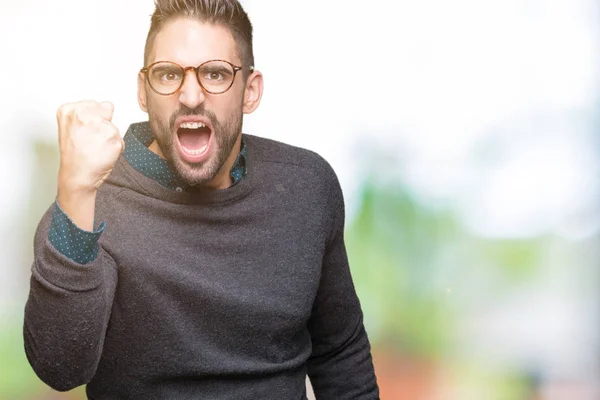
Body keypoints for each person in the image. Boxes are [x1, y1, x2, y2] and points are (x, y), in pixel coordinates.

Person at [23, 0, 380, 398]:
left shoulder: (307, 187)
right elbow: (60, 368)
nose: (190, 95)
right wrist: (75, 190)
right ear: (143, 91)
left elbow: (340, 352)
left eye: (215, 74)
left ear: (250, 91)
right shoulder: (90, 208)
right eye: (168, 74)